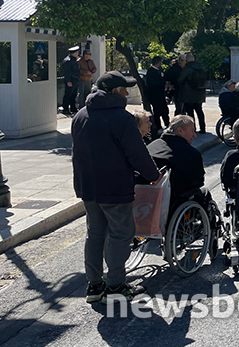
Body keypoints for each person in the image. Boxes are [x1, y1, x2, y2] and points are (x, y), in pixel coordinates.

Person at [72, 70, 159, 303]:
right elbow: (137, 153)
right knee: (121, 234)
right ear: (113, 92)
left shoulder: (80, 115)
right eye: (124, 89)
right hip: (114, 186)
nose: (127, 92)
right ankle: (116, 286)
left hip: (87, 186)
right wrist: (153, 175)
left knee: (95, 233)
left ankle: (94, 285)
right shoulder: (122, 118)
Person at [147, 115, 206, 211]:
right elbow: (199, 181)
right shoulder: (191, 153)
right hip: (175, 201)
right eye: (192, 130)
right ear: (180, 131)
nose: (194, 135)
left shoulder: (152, 147)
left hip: (148, 199)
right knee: (204, 193)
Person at [177, 52, 207, 133]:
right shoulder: (202, 67)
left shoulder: (187, 68)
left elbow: (180, 80)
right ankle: (203, 128)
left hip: (188, 94)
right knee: (199, 111)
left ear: (187, 59)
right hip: (200, 93)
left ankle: (193, 128)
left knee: (190, 112)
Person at [145, 56, 169, 133]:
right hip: (155, 95)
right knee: (157, 111)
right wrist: (164, 83)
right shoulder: (151, 72)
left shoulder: (159, 70)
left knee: (165, 111)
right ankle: (158, 127)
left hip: (161, 94)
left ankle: (167, 124)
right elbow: (154, 83)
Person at [61, 46, 81, 115]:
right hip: (71, 80)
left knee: (73, 94)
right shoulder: (68, 61)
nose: (78, 53)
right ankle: (65, 109)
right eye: (77, 52)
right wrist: (68, 81)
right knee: (68, 94)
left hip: (75, 79)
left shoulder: (74, 59)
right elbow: (67, 72)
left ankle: (73, 108)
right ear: (74, 53)